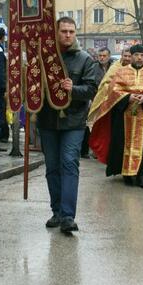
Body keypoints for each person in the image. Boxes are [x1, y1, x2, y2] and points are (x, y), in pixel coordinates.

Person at [37, 17, 98, 233]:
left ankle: (68, 216)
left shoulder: (85, 60)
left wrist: (74, 88)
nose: (68, 35)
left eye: (72, 31)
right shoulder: (43, 58)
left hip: (73, 122)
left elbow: (92, 89)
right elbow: (33, 85)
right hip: (47, 120)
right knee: (52, 167)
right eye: (64, 31)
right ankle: (57, 211)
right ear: (56, 32)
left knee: (69, 163)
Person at [88, 44, 143, 188]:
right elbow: (113, 91)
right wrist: (128, 97)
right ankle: (127, 174)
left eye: (142, 55)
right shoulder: (121, 72)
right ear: (131, 56)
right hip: (124, 115)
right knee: (124, 143)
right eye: (136, 55)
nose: (139, 58)